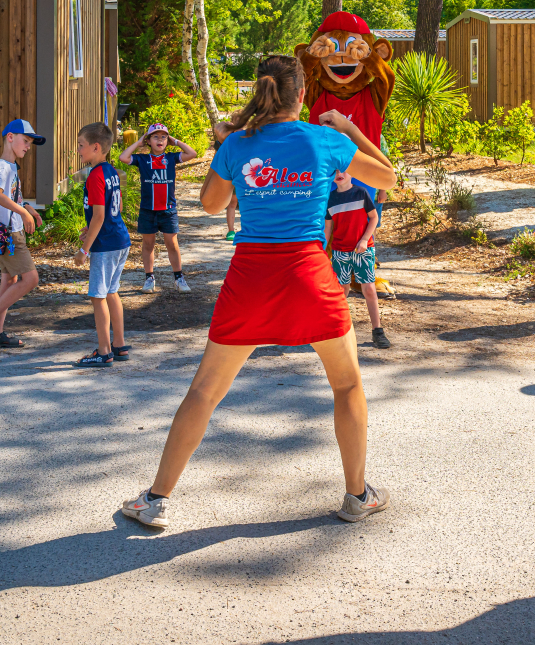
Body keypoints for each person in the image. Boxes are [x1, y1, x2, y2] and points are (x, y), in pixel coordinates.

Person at [121, 55, 396, 529]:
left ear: (262, 93)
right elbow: (388, 178)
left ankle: (155, 499)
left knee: (205, 392)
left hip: (250, 277)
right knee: (347, 385)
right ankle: (358, 496)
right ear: (303, 95)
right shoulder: (326, 139)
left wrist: (235, 155)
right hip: (310, 276)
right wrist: (349, 129)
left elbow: (210, 206)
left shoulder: (237, 144)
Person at [0, 119, 45, 348]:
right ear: (10, 137)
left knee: (9, 280)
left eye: (30, 143)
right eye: (25, 141)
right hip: (8, 233)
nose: (27, 147)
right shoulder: (2, 165)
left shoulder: (12, 166)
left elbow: (13, 196)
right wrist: (22, 212)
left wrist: (29, 208)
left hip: (11, 230)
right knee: (31, 279)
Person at [73, 122, 132, 367]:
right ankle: (119, 345)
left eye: (81, 145)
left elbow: (98, 216)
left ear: (96, 147)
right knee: (111, 292)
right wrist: (91, 229)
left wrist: (84, 249)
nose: (78, 150)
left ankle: (104, 351)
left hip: (105, 246)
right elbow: (106, 212)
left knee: (98, 297)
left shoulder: (96, 175)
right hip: (119, 240)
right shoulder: (111, 171)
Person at [119, 122, 199, 293]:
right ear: (148, 141)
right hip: (148, 209)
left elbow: (192, 153)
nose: (160, 140)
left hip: (168, 210)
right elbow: (123, 158)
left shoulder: (171, 158)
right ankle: (149, 278)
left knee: (172, 243)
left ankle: (179, 278)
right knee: (148, 244)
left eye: (163, 137)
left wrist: (175, 141)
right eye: (155, 137)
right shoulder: (143, 159)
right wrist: (137, 143)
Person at [325, 170, 391, 349]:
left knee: (369, 289)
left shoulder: (361, 193)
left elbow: (374, 217)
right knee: (342, 290)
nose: (339, 174)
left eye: (343, 170)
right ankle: (338, 330)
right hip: (340, 252)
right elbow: (328, 228)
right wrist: (323, 251)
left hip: (363, 249)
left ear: (352, 173)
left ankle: (377, 330)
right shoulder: (330, 199)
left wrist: (364, 240)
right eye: (335, 171)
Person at [213, 121, 239, 241]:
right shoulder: (226, 143)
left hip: (247, 179)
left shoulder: (251, 141)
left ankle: (248, 230)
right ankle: (231, 230)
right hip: (233, 179)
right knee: (232, 204)